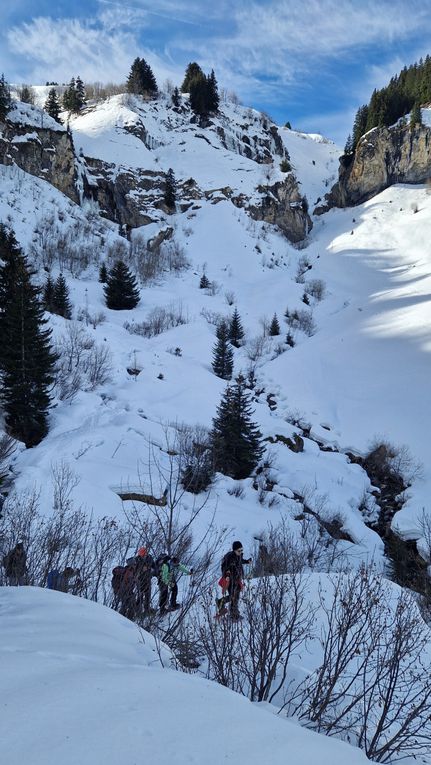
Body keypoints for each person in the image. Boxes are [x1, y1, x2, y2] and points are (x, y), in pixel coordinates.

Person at [219, 541, 252, 620]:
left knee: (235, 596)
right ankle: (234, 615)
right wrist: (227, 575)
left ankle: (222, 603)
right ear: (234, 550)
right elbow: (224, 567)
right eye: (239, 551)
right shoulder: (229, 557)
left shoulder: (238, 556)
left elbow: (240, 561)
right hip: (230, 581)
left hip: (237, 579)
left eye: (241, 550)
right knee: (234, 597)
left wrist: (247, 561)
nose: (240, 552)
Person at [134, 547, 155, 615]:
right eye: (140, 553)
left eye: (143, 553)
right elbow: (134, 569)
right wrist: (139, 571)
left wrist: (149, 569)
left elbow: (154, 567)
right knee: (140, 595)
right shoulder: (137, 559)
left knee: (147, 595)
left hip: (147, 578)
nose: (141, 555)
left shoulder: (150, 558)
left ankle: (147, 609)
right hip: (139, 579)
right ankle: (137, 610)